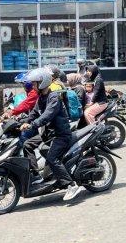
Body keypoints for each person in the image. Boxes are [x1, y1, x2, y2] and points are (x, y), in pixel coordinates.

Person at [19, 68, 83, 201]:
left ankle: (71, 185)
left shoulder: (54, 97)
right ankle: (36, 175)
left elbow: (47, 115)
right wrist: (18, 121)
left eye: (34, 83)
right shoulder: (41, 98)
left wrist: (32, 124)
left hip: (61, 135)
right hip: (49, 134)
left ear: (42, 82)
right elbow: (34, 114)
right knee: (27, 144)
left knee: (52, 158)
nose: (32, 86)